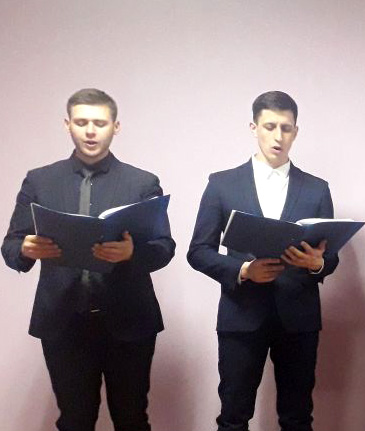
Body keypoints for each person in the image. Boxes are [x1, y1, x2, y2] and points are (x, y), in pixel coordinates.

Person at [2, 88, 175, 431]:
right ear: (67, 125)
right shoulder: (39, 180)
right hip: (63, 321)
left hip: (130, 320)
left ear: (116, 126)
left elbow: (164, 247)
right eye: (81, 122)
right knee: (74, 420)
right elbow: (11, 245)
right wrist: (26, 249)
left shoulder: (142, 182)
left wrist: (132, 253)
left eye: (100, 123)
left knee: (132, 419)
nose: (91, 131)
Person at [187, 91, 339, 431]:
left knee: (297, 418)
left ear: (296, 132)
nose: (278, 136)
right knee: (233, 416)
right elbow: (198, 251)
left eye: (286, 128)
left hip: (299, 317)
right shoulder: (222, 184)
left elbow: (330, 258)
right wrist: (243, 270)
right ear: (254, 127)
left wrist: (316, 263)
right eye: (270, 126)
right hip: (241, 314)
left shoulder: (317, 189)